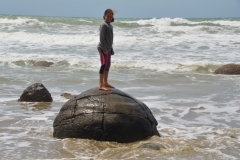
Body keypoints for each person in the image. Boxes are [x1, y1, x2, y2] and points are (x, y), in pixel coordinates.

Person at [97, 9, 115, 91]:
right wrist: (104, 49)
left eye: (111, 16)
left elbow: (110, 39)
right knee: (103, 65)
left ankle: (105, 82)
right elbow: (102, 38)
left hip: (108, 48)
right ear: (104, 16)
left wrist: (111, 49)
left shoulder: (110, 25)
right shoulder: (103, 25)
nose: (109, 18)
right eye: (108, 16)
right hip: (102, 48)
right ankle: (101, 85)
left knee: (108, 65)